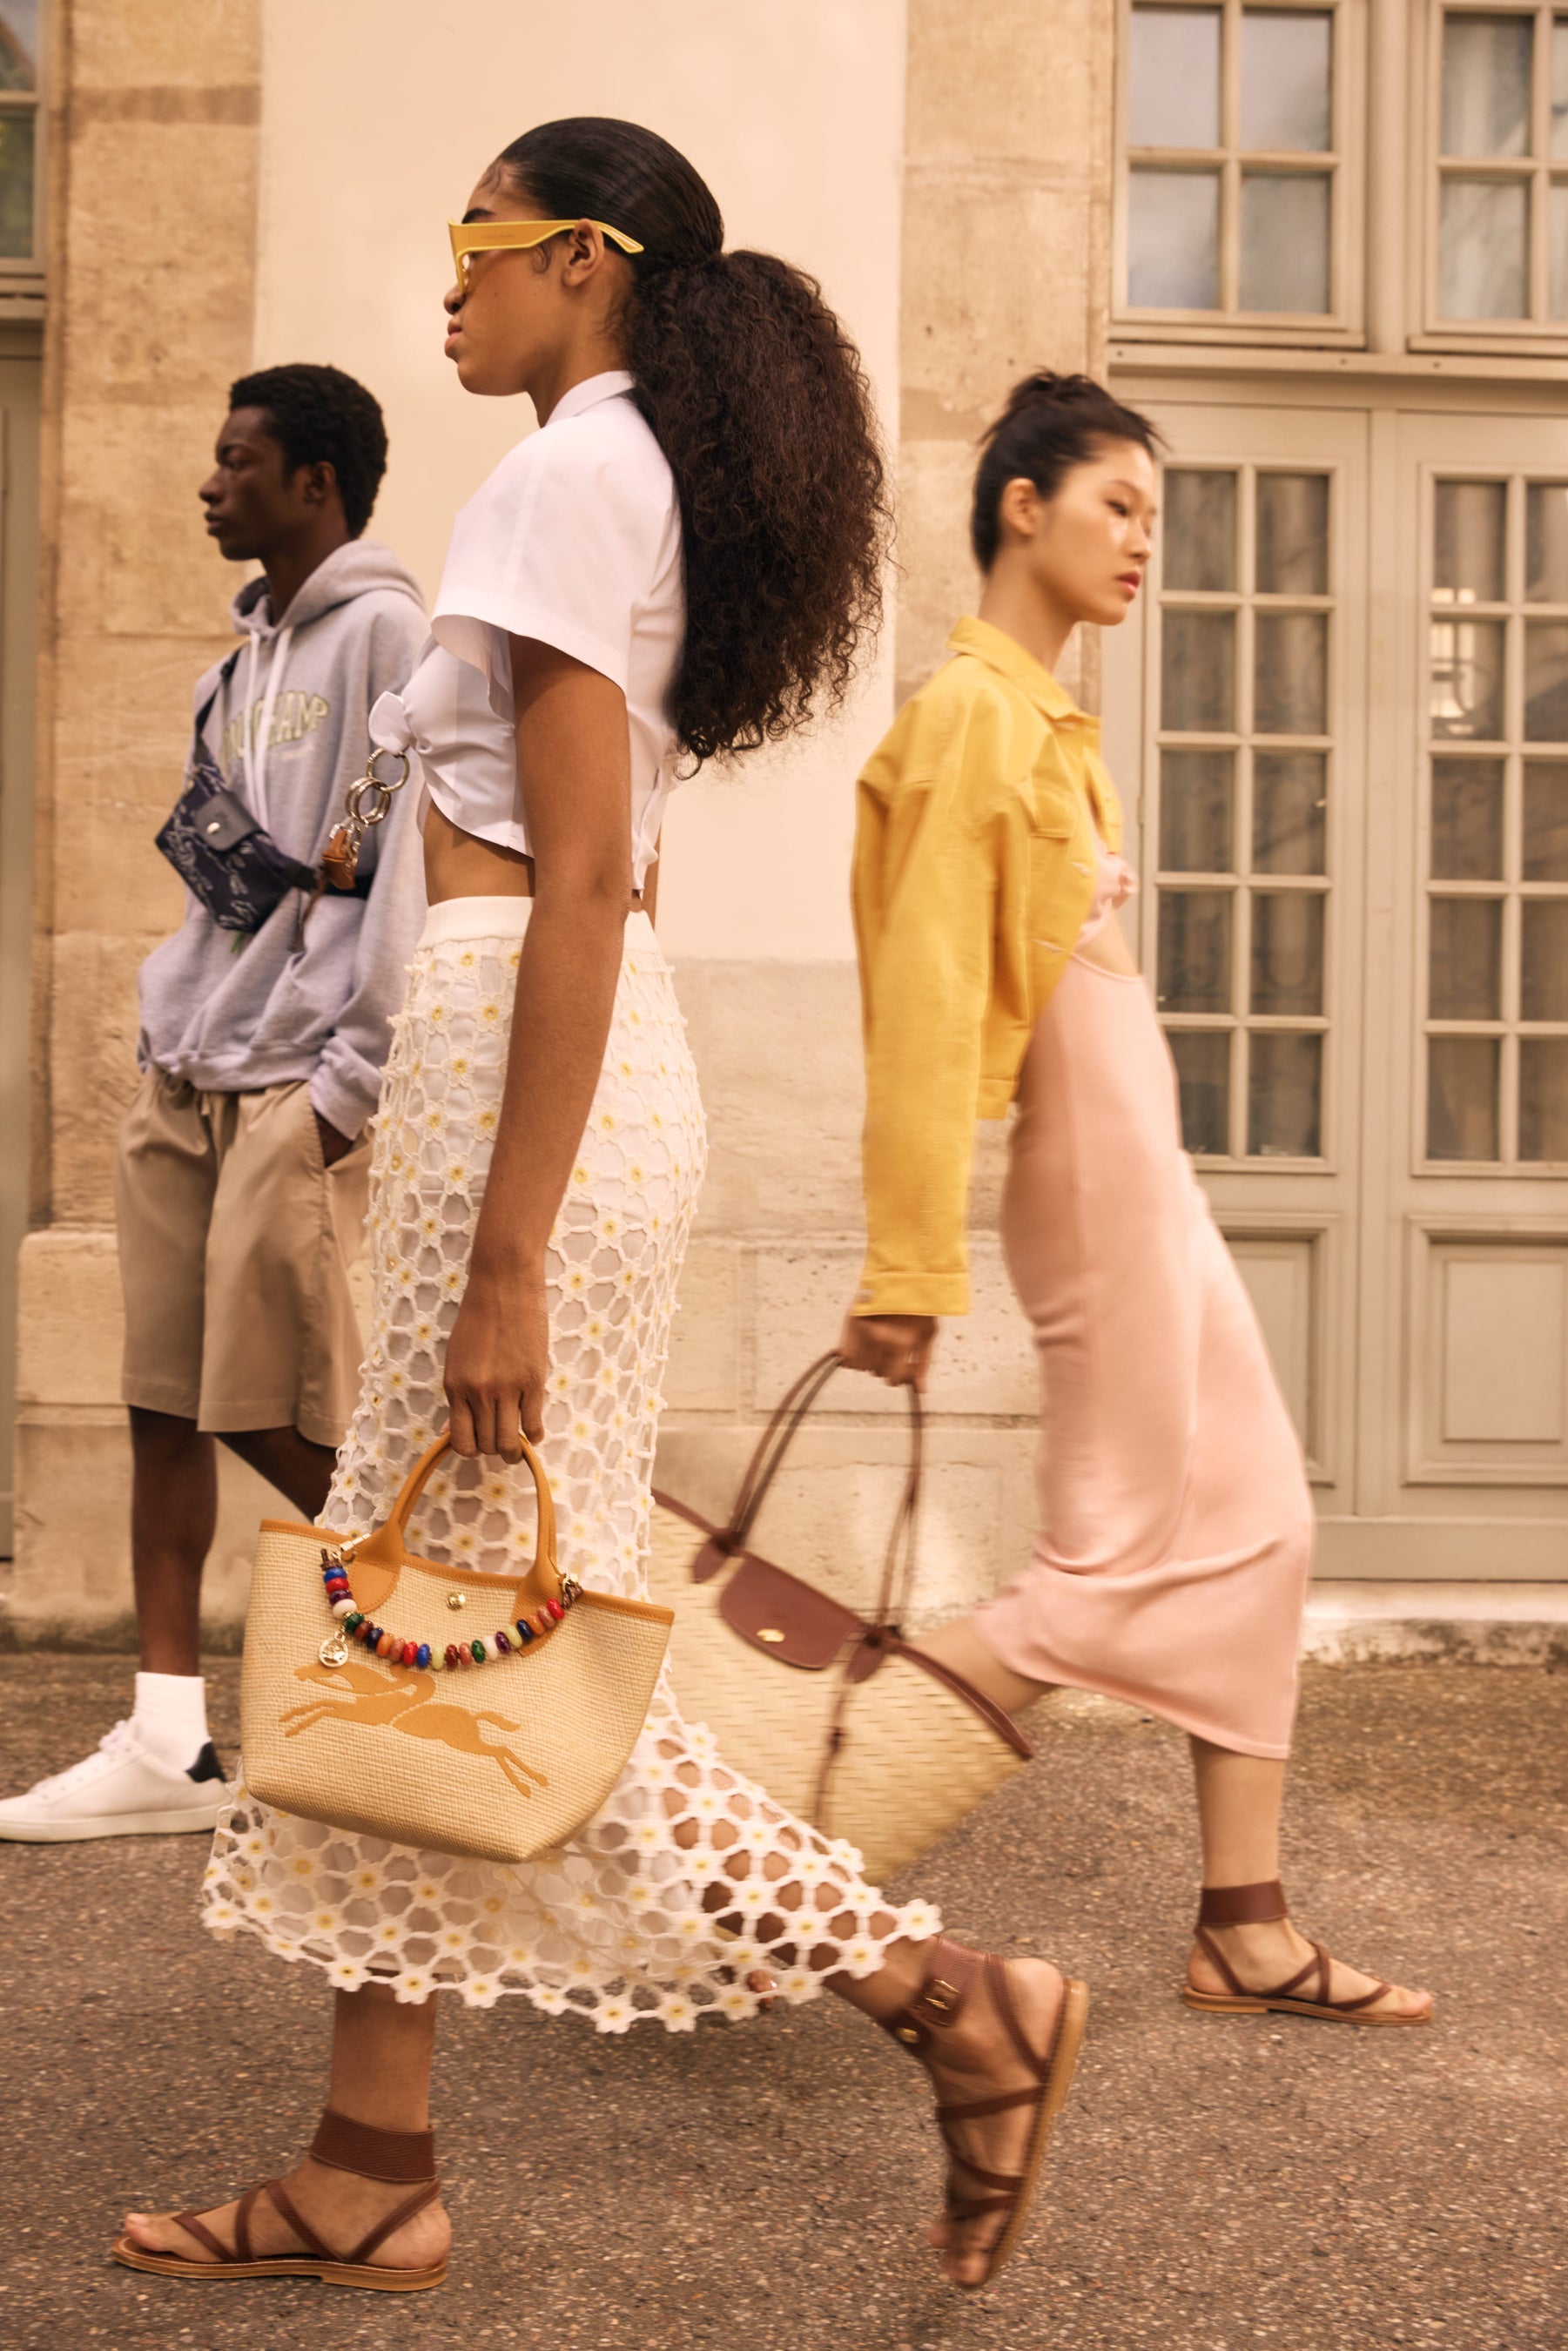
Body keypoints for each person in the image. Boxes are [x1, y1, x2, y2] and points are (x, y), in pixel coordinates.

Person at [112, 122, 1089, 2298]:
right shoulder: (640, 471)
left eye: (474, 240)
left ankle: (950, 2001)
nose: (446, 283)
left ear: (582, 257)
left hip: (520, 1077)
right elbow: (614, 877)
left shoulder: (568, 475)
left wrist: (505, 1255)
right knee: (431, 1621)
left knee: (485, 1646)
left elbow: (566, 884)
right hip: (551, 1064)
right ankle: (370, 2164)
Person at [840, 370, 1431, 2030]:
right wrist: (906, 1267)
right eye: (1118, 507)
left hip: (1140, 1176)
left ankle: (1244, 1928)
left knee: (1261, 1519)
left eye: (1152, 519)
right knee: (1101, 1567)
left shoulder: (1040, 722)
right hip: (1089, 1184)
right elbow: (925, 1009)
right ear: (1020, 506)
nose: (1140, 545)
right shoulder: (968, 721)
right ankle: (764, 1866)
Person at [0, 366, 427, 1843]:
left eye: (237, 460)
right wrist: (165, 1021)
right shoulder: (231, 670)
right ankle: (167, 1740)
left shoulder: (387, 641)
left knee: (276, 1408)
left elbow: (393, 870)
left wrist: (349, 1082)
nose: (208, 482)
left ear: (315, 481)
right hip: (187, 1064)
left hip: (294, 1080)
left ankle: (443, 1659)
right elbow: (225, 881)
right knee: (161, 1402)